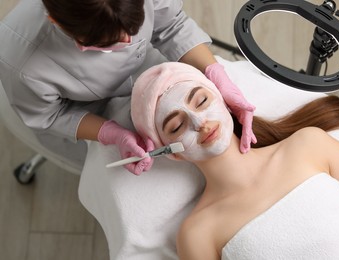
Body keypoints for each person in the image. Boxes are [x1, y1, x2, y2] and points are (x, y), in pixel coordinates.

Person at [130, 62, 339, 259]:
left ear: (226, 101)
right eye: (177, 126)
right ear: (173, 153)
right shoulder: (198, 233)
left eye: (201, 101)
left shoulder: (309, 145)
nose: (200, 122)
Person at [0, 0, 255, 175]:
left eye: (134, 26)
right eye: (110, 41)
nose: (128, 40)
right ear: (55, 21)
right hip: (86, 111)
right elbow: (50, 115)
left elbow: (172, 25)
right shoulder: (21, 61)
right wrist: (111, 134)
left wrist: (215, 73)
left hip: (155, 67)